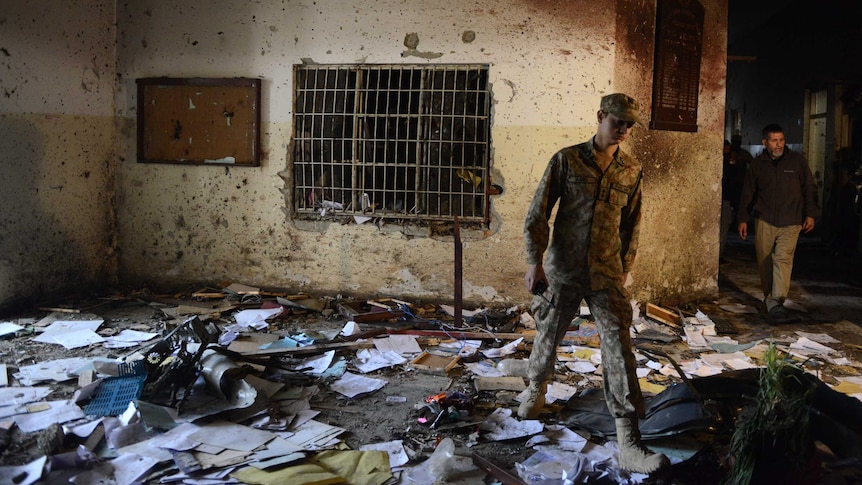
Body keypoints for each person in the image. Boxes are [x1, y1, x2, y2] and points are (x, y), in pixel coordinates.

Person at [521, 93, 669, 474]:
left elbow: (632, 224)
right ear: (601, 116)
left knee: (620, 347)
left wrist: (624, 268)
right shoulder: (566, 160)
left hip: (606, 272)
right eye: (617, 122)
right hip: (564, 269)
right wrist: (533, 263)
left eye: (629, 125)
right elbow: (539, 213)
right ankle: (535, 388)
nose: (623, 130)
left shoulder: (630, 169)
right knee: (549, 333)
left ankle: (629, 440)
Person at [737, 123, 819, 317]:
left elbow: (810, 189)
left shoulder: (797, 162)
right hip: (765, 219)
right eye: (774, 141)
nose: (779, 144)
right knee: (764, 260)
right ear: (765, 142)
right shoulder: (757, 165)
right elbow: (748, 193)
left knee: (783, 259)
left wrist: (811, 214)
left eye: (781, 140)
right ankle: (771, 301)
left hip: (792, 219)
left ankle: (777, 300)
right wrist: (742, 218)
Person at [720, 135, 751, 260]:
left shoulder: (740, 155)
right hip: (727, 195)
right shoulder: (727, 159)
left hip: (735, 191)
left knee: (726, 223)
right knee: (724, 225)